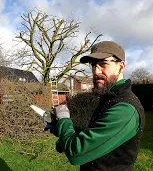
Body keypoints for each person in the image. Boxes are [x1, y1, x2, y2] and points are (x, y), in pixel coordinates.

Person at [53, 41, 145, 171]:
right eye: (93, 66)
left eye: (103, 64)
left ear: (121, 66)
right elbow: (92, 131)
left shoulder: (125, 108)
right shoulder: (107, 98)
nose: (96, 71)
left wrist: (63, 119)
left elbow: (76, 152)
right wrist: (64, 135)